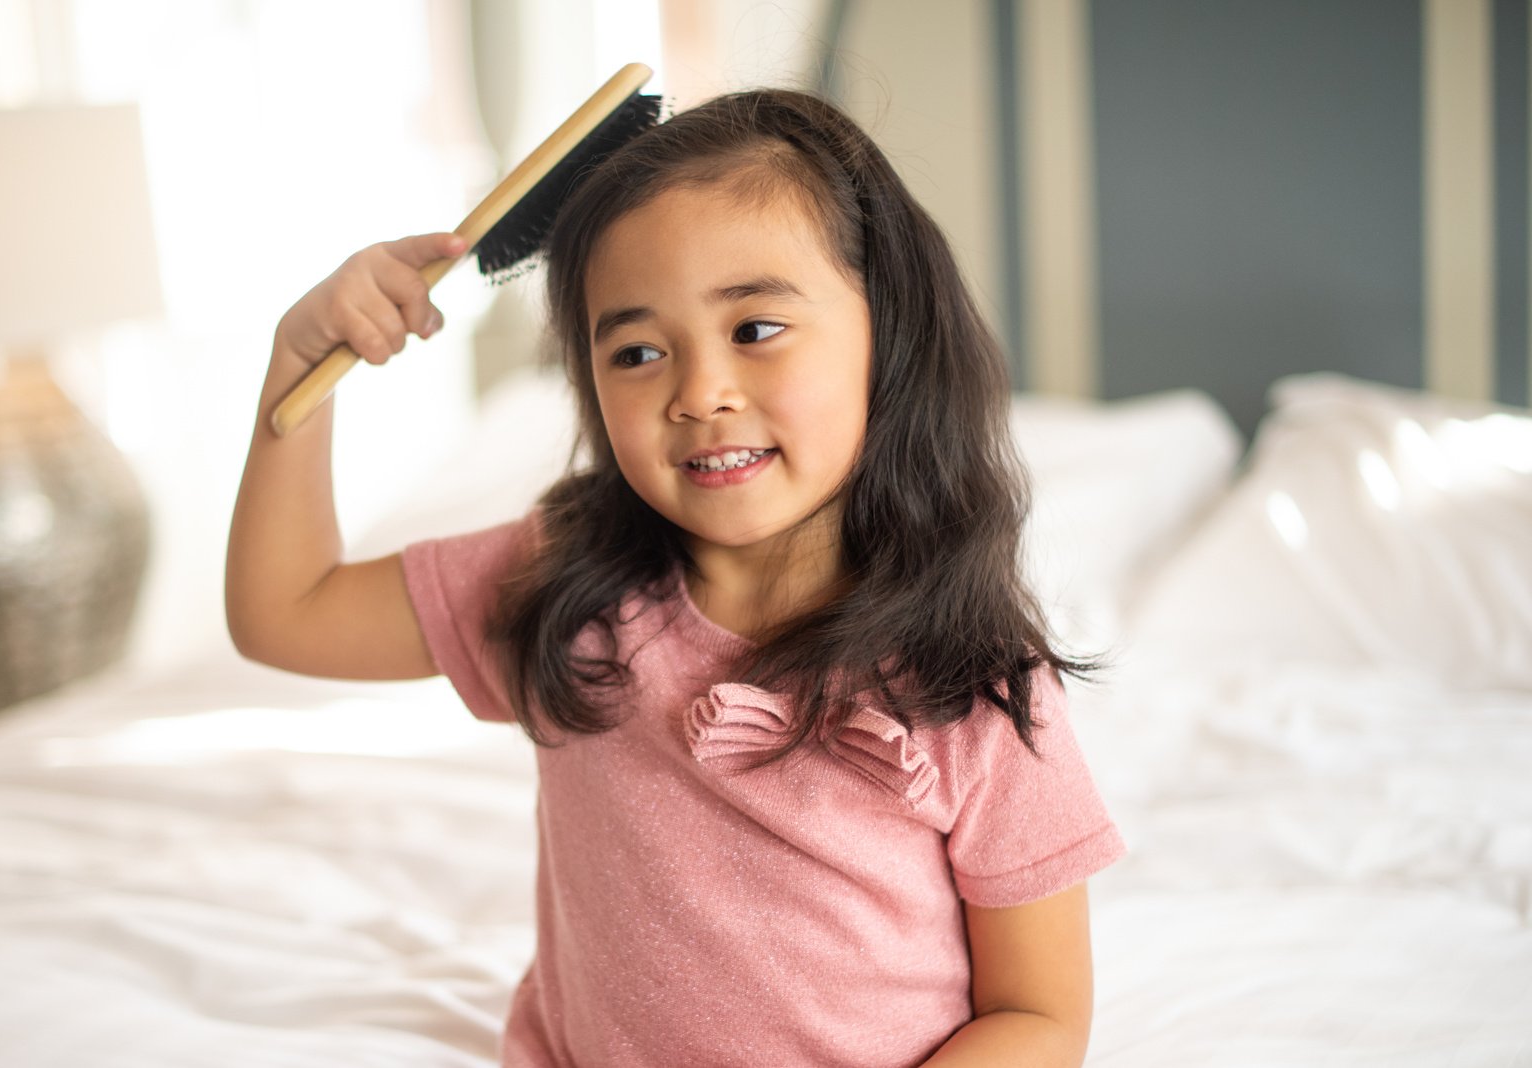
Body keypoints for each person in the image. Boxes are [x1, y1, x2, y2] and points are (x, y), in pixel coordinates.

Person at [227, 88, 1125, 1067]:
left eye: (754, 330)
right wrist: (301, 368)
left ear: (887, 332)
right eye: (639, 352)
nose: (699, 394)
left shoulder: (975, 684)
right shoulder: (563, 587)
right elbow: (286, 612)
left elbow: (1038, 1017)